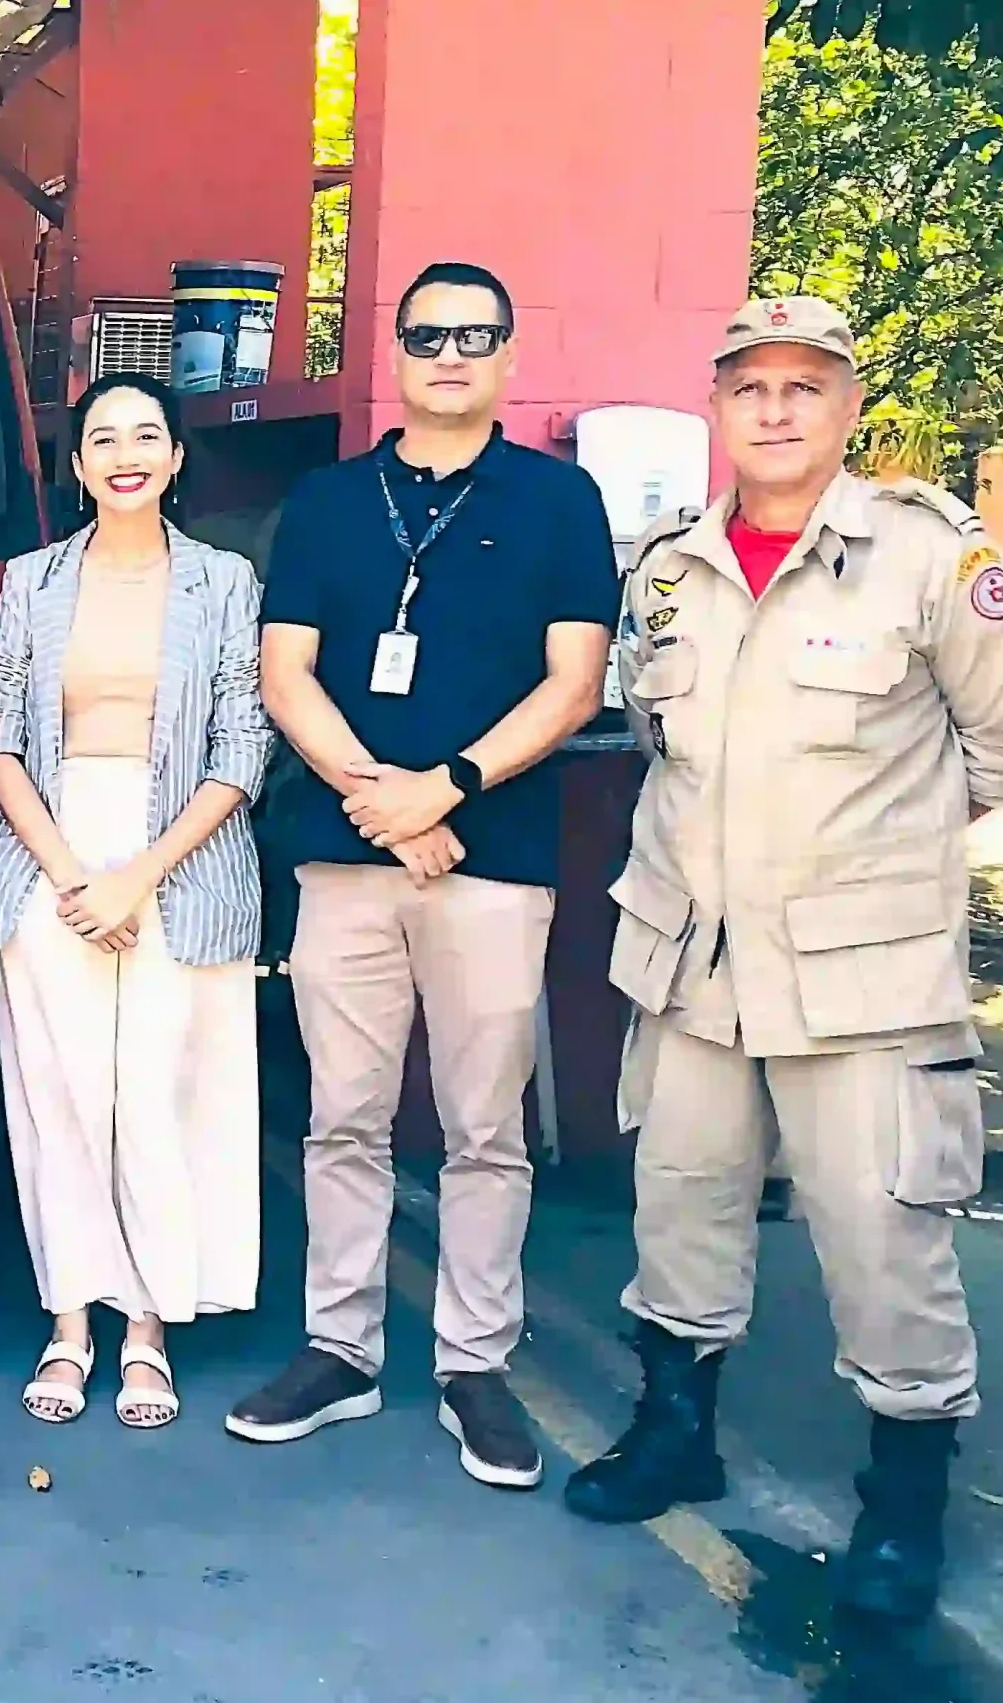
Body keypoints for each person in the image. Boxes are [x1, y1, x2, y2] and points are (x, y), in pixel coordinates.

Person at [563, 297, 1003, 1623]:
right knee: (680, 1203)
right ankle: (675, 1428)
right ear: (718, 407)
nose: (775, 409)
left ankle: (902, 1502)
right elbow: (659, 739)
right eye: (750, 386)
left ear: (847, 406)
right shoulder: (670, 568)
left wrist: (878, 853)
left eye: (804, 385)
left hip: (862, 973)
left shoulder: (928, 555)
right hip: (692, 959)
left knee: (882, 1237)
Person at [226, 262, 617, 1490]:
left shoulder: (559, 501)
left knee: (482, 1126)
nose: (450, 354)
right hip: (348, 858)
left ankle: (473, 1362)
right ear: (394, 353)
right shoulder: (329, 502)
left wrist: (443, 787)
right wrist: (380, 803)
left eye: (474, 336)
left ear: (507, 356)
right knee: (340, 1115)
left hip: (491, 860)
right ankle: (338, 1348)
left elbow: (575, 683)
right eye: (428, 335)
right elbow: (284, 672)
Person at [0, 374, 269, 1429]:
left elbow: (243, 741)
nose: (126, 455)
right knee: (60, 1096)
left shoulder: (223, 581)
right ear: (78, 462)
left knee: (156, 1093)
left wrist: (137, 874)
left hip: (181, 853)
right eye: (104, 438)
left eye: (147, 436)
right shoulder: (33, 580)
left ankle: (147, 1324)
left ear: (176, 458)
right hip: (46, 849)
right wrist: (69, 873)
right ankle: (69, 1320)